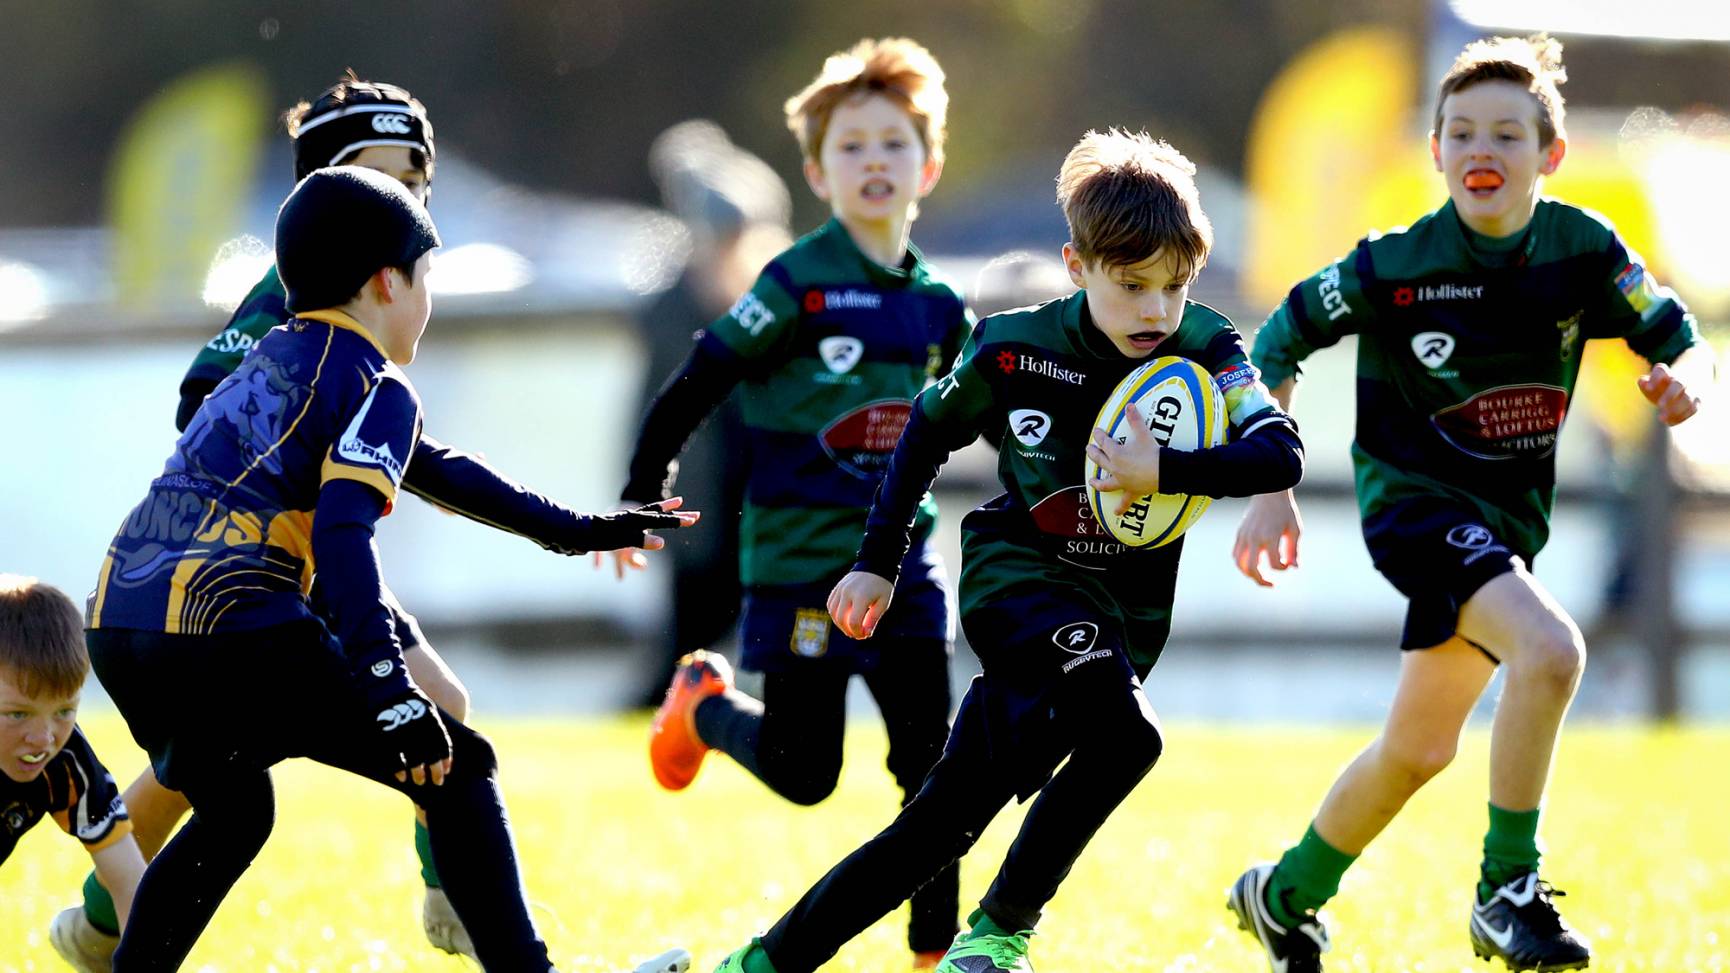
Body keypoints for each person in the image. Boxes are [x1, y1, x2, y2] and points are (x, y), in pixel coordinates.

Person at [55, 75, 651, 968]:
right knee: (453, 757)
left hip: (120, 610)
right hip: (239, 611)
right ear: (384, 276)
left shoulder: (288, 340)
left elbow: (432, 464)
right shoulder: (360, 361)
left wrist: (578, 528)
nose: (405, 196)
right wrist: (379, 679)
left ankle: (115, 938)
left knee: (235, 806)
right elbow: (342, 535)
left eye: (415, 177)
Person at [709, 128, 1305, 973]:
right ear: (1078, 265)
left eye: (1174, 286)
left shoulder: (1207, 346)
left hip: (1122, 611)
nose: (1154, 311)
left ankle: (765, 961)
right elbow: (923, 432)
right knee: (1130, 737)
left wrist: (1161, 468)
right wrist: (877, 559)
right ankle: (996, 936)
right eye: (1131, 286)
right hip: (1019, 577)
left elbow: (1279, 450)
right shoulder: (1012, 347)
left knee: (934, 826)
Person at [1227, 35, 1715, 973]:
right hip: (1414, 509)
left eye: (1506, 132)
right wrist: (1269, 482)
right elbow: (1277, 341)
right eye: (1459, 132)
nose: (1480, 147)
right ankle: (1507, 890)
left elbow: (1674, 332)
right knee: (1553, 649)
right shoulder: (1393, 264)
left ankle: (1282, 896)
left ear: (1551, 155)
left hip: (1502, 527)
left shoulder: (1583, 252)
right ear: (1437, 152)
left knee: (1418, 749)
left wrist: (1683, 380)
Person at [620, 38, 971, 969]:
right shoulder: (795, 282)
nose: (873, 162)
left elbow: (986, 408)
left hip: (902, 571)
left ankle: (937, 952)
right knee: (807, 773)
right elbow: (701, 375)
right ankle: (704, 703)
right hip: (798, 569)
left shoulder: (939, 305)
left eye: (892, 144)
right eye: (851, 146)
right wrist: (642, 481)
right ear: (816, 171)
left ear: (927, 165)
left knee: (935, 773)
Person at [622, 119, 792, 708]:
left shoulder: (772, 308)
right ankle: (662, 712)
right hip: (701, 504)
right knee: (689, 635)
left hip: (762, 503)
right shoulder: (672, 313)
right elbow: (653, 416)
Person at [1, 575, 146, 947]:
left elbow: (130, 883)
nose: (44, 738)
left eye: (64, 711)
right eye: (17, 714)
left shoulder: (66, 764)